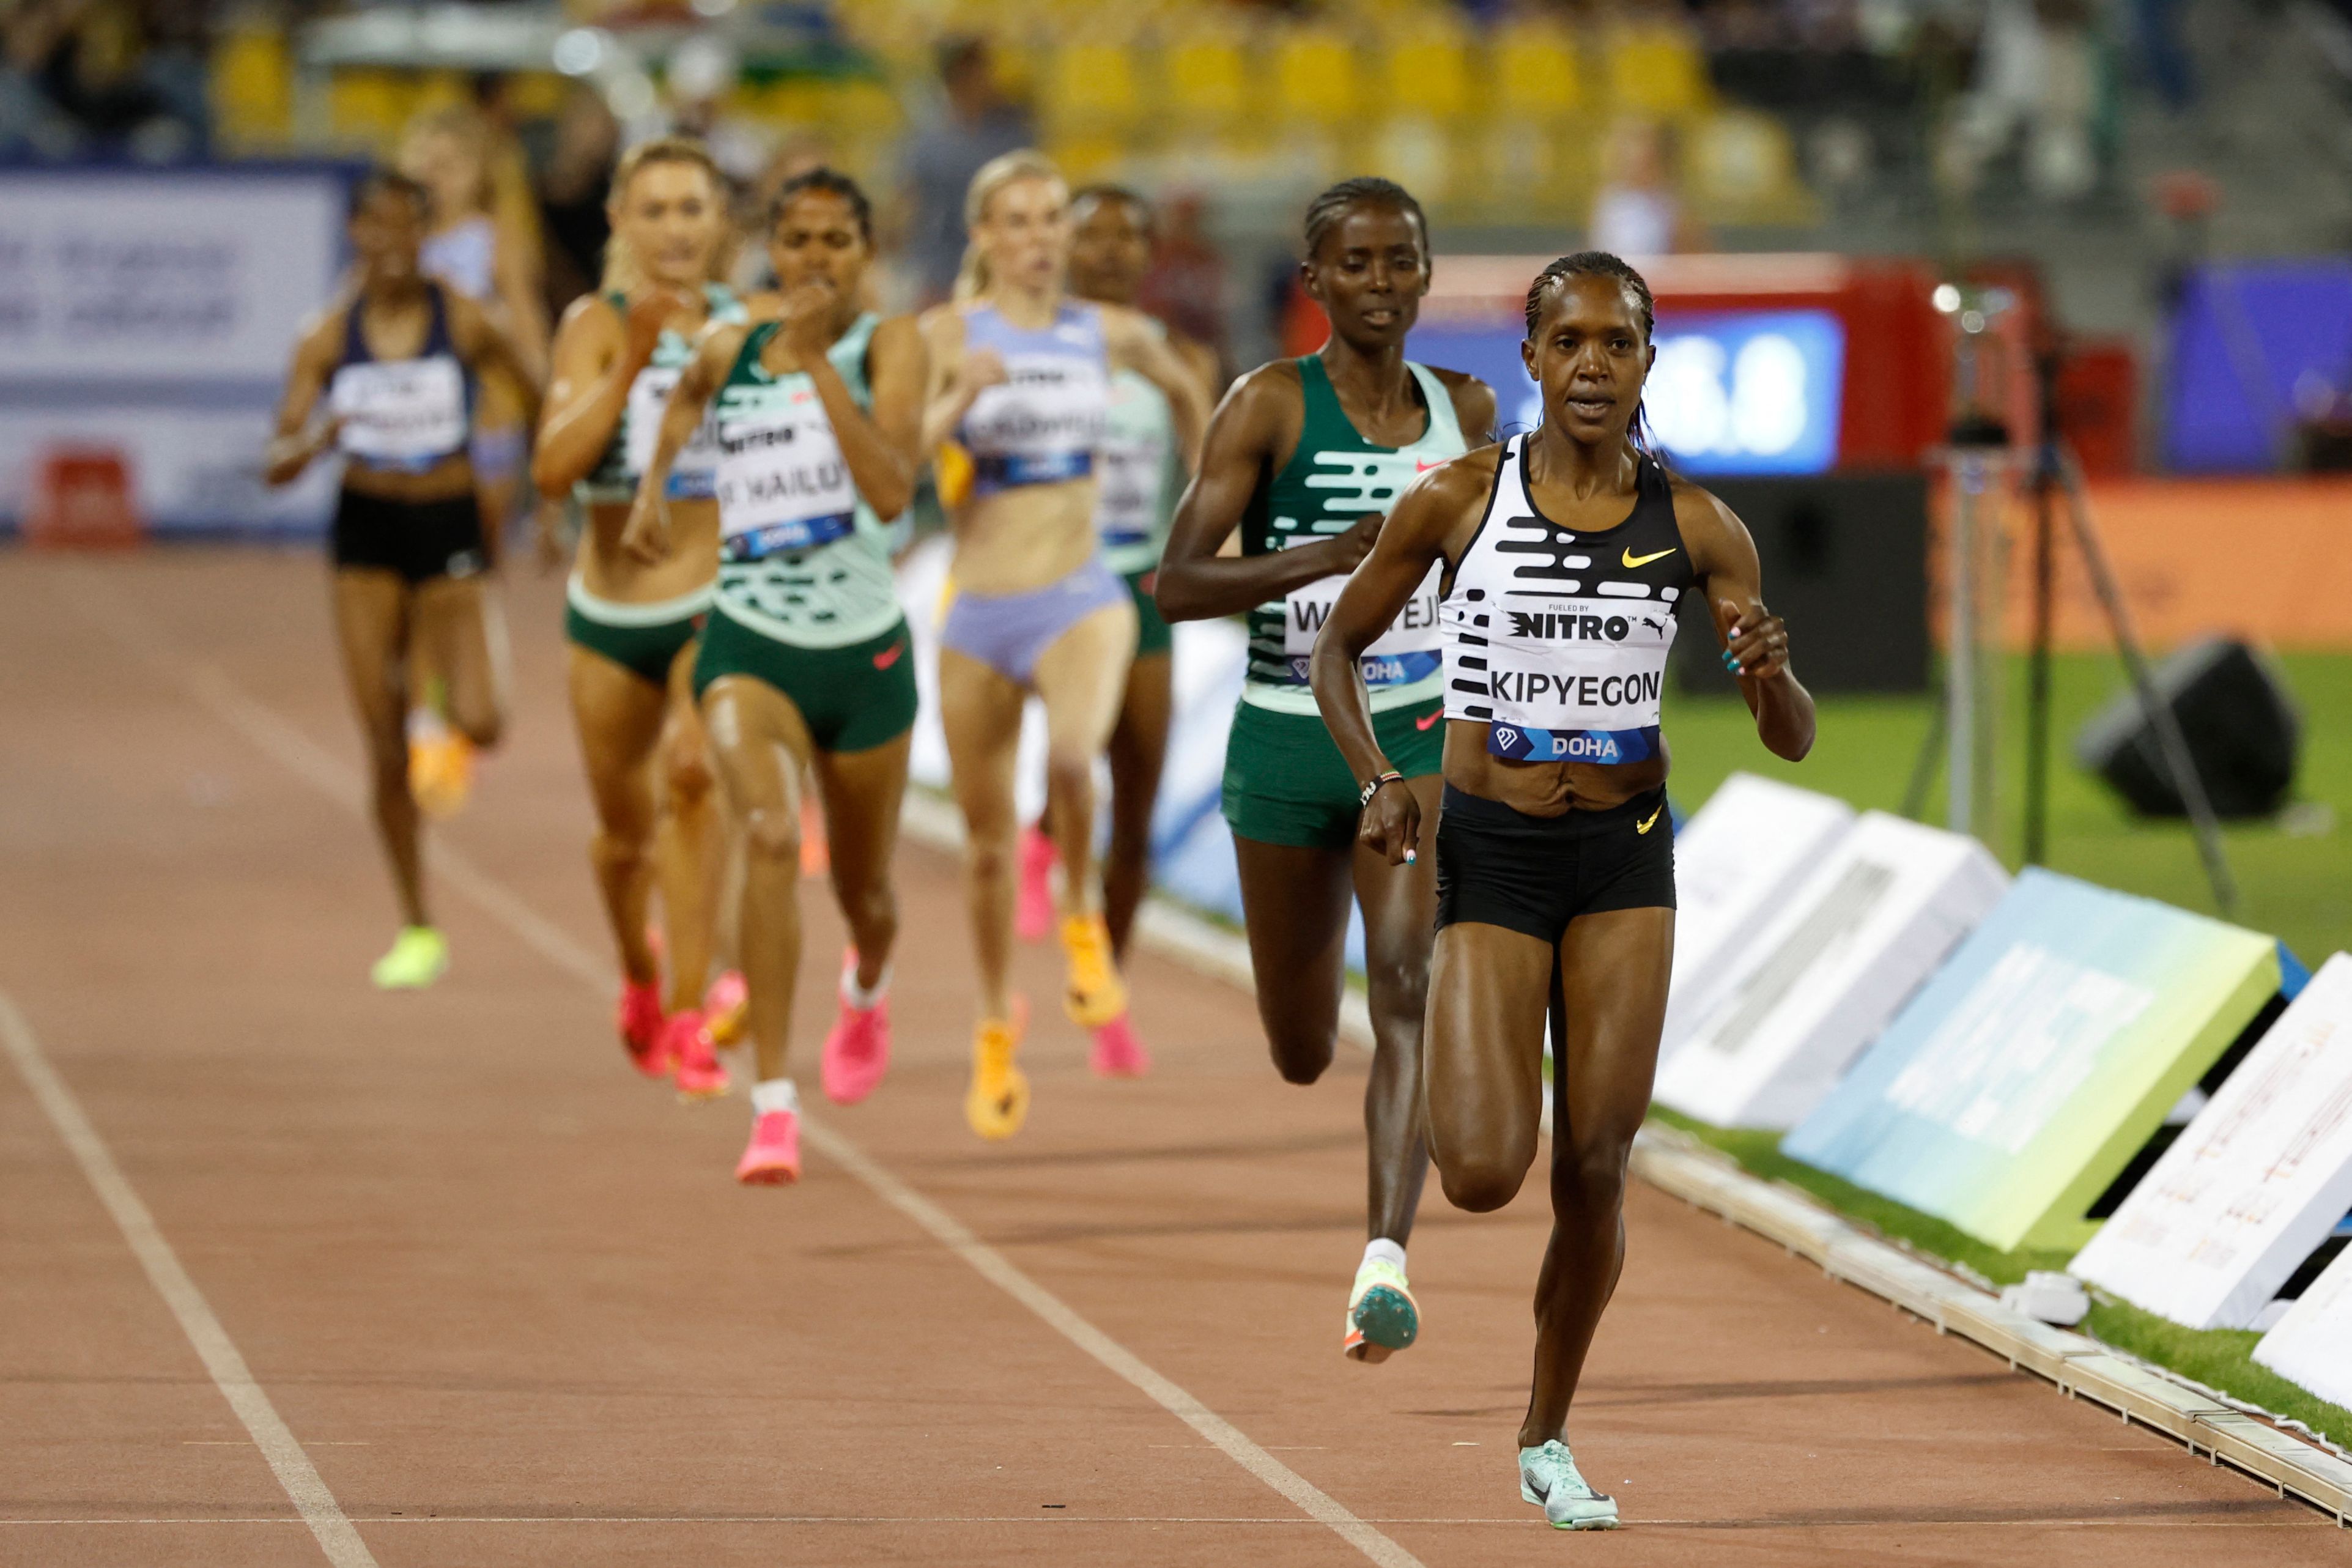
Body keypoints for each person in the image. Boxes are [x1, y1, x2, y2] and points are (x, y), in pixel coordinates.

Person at [1309, 251, 1814, 1529]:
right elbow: (1337, 649)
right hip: (1494, 850)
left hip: (1625, 860)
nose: (1595, 365)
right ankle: (1450, 1074)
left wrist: (1766, 673)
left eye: (1621, 344)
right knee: (1484, 1169)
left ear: (1649, 364)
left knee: (1596, 1162)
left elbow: (1791, 733)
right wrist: (1379, 778)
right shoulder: (1460, 501)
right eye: (1571, 341)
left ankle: (1545, 1433)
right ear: (1530, 356)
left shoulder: (1698, 523)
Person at [1156, 176, 1492, 1364]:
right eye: (1357, 263)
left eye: (1403, 260)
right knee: (1302, 1042)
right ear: (1314, 283)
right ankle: (1346, 1101)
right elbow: (1177, 583)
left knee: (1405, 980)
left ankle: (1383, 1264)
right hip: (1282, 738)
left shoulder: (1467, 409)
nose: (1383, 283)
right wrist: (1319, 559)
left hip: (1413, 732)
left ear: (1426, 274)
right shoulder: (1267, 406)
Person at [624, 168, 925, 1185]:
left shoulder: (889, 344)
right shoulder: (730, 348)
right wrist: (655, 491)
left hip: (865, 650)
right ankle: (773, 1101)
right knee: (762, 831)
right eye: (796, 240)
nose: (814, 260)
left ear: (864, 252)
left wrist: (815, 369)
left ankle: (870, 980)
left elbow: (889, 489)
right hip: (749, 635)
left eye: (836, 241)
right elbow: (683, 402)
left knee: (864, 889)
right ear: (771, 249)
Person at [920, 149, 1207, 1141]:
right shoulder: (948, 333)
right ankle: (996, 1025)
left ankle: (1086, 925)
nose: (1041, 239)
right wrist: (955, 402)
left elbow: (1188, 389)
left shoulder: (1110, 331)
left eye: (1053, 220)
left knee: (1079, 762)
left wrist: (1217, 504)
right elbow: (889, 461)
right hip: (980, 607)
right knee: (988, 846)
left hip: (1090, 590)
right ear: (986, 237)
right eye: (1022, 221)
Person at [263, 169, 541, 988]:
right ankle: (418, 922)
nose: (390, 246)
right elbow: (277, 458)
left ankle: (447, 706)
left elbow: (537, 398)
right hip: (367, 531)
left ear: (428, 235)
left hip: (450, 520)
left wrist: (542, 504)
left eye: (405, 230)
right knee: (381, 745)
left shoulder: (463, 317)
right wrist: (313, 443)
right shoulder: (324, 335)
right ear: (354, 235)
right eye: (374, 230)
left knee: (486, 724)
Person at [531, 135, 745, 1096]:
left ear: (720, 221)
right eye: (653, 210)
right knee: (624, 836)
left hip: (715, 598)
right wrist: (633, 368)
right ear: (620, 221)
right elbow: (550, 469)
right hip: (611, 610)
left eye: (691, 210)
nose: (674, 230)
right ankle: (640, 974)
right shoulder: (593, 324)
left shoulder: (748, 328)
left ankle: (696, 1011)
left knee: (695, 780)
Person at [1013, 185, 1219, 1032]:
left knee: (1137, 795)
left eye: (1123, 239)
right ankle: (1037, 836)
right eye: (1087, 238)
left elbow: (1211, 478)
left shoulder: (1180, 357)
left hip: (1139, 586)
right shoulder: (1026, 344)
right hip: (1050, 583)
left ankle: (1108, 977)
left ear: (1147, 253)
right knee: (1076, 751)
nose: (1105, 253)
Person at [399, 106, 551, 813]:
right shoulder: (390, 241)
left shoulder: (493, 244)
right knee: (413, 582)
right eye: (425, 156)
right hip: (405, 433)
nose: (435, 171)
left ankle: (444, 717)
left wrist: (550, 418)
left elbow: (528, 333)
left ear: (479, 177)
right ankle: (435, 709)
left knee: (460, 580)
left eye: (452, 161)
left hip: (480, 436)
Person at [893, 36, 1032, 306]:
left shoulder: (1010, 138)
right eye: (975, 72)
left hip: (1000, 272)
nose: (985, 80)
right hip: (939, 275)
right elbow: (907, 205)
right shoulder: (928, 142)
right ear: (956, 78)